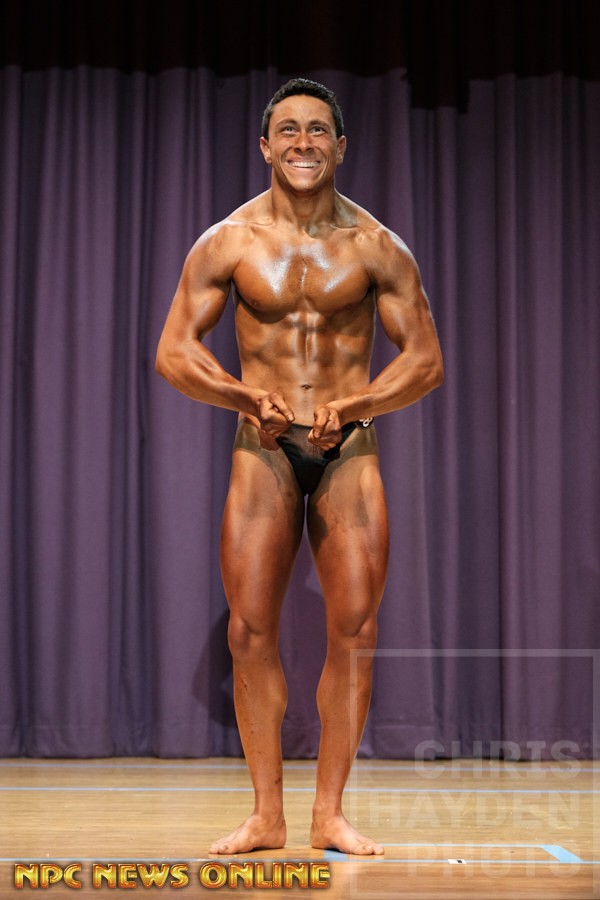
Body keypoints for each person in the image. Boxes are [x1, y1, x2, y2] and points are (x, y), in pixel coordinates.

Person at [155, 78, 443, 856]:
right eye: (289, 130)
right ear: (265, 146)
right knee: (249, 631)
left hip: (349, 448)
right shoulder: (230, 242)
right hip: (264, 448)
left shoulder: (377, 247)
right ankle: (266, 816)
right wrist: (242, 396)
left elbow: (425, 361)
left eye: (318, 130)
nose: (304, 142)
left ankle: (329, 814)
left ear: (341, 147)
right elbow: (174, 353)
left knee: (355, 630)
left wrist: (357, 406)